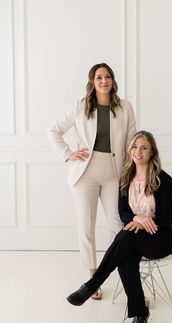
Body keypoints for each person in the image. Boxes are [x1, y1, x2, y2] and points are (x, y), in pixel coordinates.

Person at [66, 130, 172, 323]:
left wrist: (145, 222)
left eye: (144, 147)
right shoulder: (126, 179)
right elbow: (124, 213)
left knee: (125, 237)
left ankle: (93, 284)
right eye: (135, 147)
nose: (138, 151)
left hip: (160, 239)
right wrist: (136, 219)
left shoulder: (165, 180)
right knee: (126, 256)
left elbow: (166, 218)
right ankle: (139, 315)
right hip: (135, 239)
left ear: (152, 151)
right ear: (130, 151)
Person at [47, 63, 136, 300]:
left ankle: (130, 284)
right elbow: (53, 130)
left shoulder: (125, 107)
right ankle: (93, 279)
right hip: (84, 175)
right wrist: (68, 153)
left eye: (107, 76)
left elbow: (131, 142)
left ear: (112, 80)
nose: (104, 81)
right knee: (86, 228)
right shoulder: (80, 107)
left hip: (113, 175)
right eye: (99, 77)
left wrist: (134, 173)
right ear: (92, 82)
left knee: (119, 227)